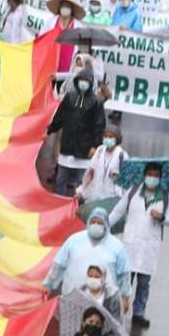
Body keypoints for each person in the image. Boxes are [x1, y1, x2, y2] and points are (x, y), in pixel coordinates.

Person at [108, 162, 169, 328]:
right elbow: (118, 211)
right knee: (125, 279)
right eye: (150, 174)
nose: (152, 178)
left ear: (160, 178)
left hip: (149, 247)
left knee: (144, 283)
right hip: (130, 244)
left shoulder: (165, 197)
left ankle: (139, 313)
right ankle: (117, 310)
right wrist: (105, 225)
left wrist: (161, 218)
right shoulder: (132, 192)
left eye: (156, 175)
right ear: (144, 175)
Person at [44, 208, 133, 308]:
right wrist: (49, 284)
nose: (96, 225)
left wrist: (125, 296)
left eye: (100, 223)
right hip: (72, 296)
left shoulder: (116, 246)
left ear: (106, 225)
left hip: (104, 301)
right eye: (93, 221)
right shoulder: (74, 240)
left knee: (97, 323)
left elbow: (124, 273)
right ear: (88, 223)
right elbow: (59, 264)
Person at [47, 66, 104, 196]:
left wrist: (95, 146)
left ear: (90, 82)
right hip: (67, 146)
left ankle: (77, 208)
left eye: (86, 80)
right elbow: (60, 117)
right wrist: (49, 130)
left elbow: (99, 126)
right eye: (81, 79)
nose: (83, 82)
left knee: (81, 183)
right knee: (61, 179)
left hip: (84, 149)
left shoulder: (96, 102)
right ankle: (57, 205)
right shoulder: (70, 97)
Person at [76, 126, 127, 203]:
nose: (107, 138)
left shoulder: (122, 155)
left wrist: (116, 176)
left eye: (110, 136)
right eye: (105, 136)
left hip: (111, 197)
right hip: (95, 194)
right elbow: (91, 172)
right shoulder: (100, 150)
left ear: (117, 138)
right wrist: (82, 189)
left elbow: (126, 179)